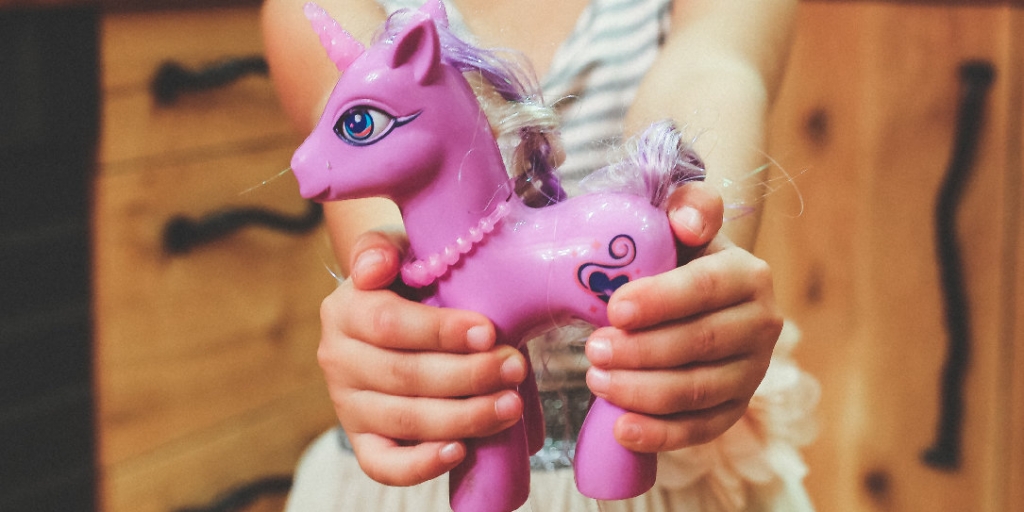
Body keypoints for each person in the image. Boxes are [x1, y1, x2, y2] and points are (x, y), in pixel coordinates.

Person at [262, 0, 816, 510]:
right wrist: (391, 324)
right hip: (432, 451)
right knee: (474, 371)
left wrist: (694, 270)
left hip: (677, 459)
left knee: (604, 366)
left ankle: (611, 447)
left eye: (358, 124)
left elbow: (712, 66)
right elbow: (385, 219)